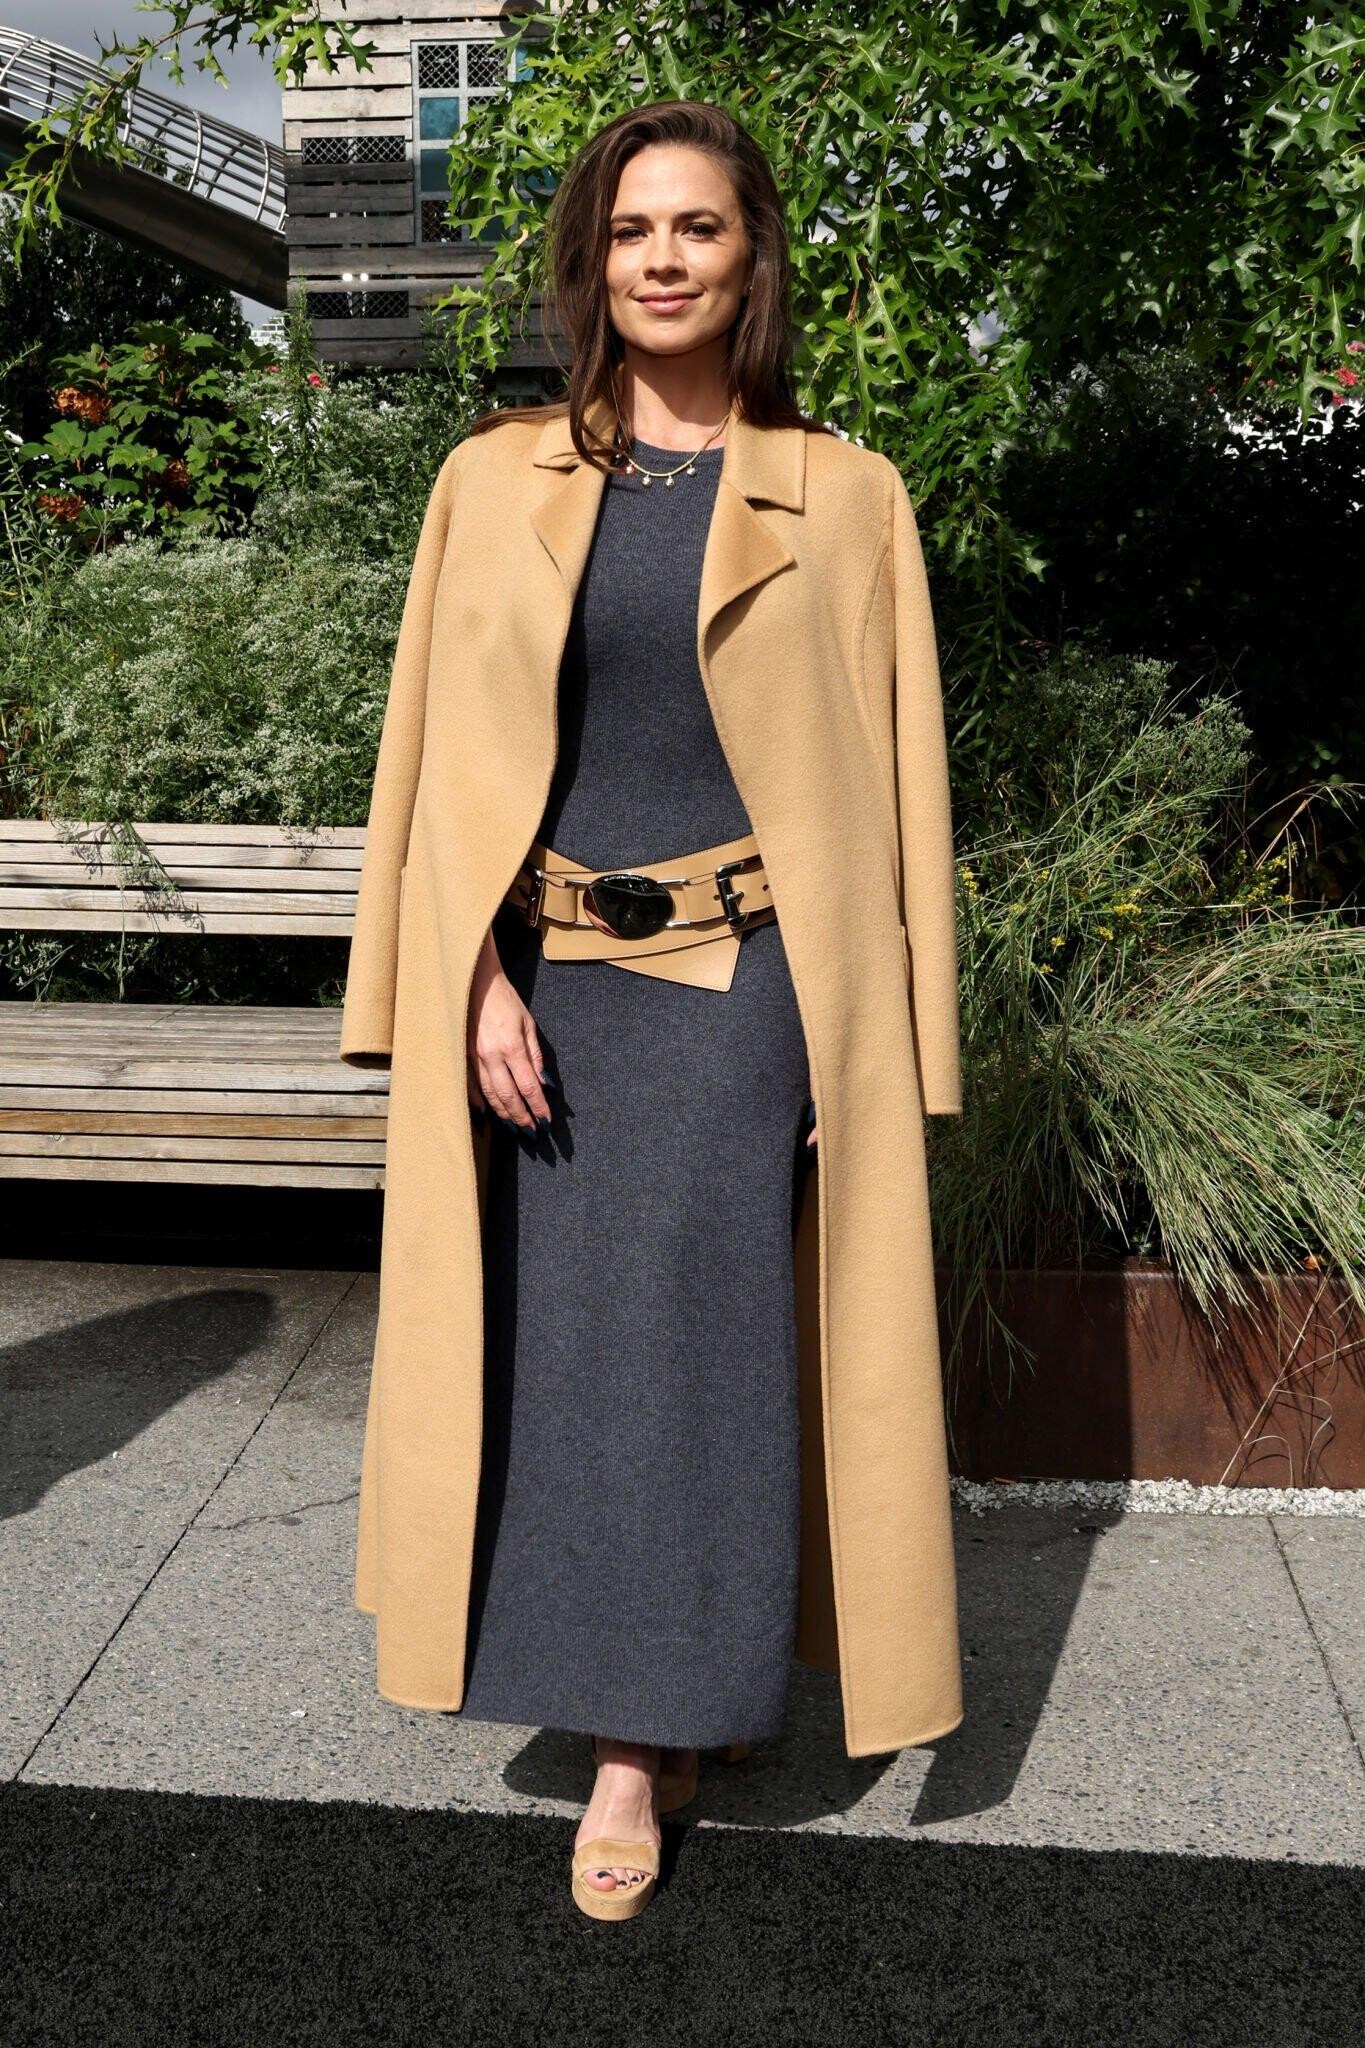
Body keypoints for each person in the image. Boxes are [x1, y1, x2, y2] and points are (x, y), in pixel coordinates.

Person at [339, 100, 965, 1925]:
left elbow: (898, 790)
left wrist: (878, 1040)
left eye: (697, 227)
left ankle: (637, 1741)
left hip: (749, 986)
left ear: (750, 256)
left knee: (691, 1349)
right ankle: (676, 1689)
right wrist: (463, 979)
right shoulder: (489, 480)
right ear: (589, 264)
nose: (663, 258)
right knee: (566, 1356)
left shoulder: (844, 495)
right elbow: (431, 768)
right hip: (538, 989)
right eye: (630, 231)